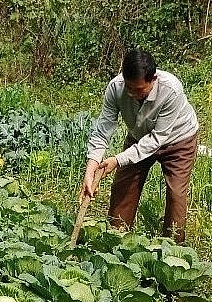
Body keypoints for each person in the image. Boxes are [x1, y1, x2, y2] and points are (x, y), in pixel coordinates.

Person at [81, 48, 199, 243]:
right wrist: (91, 168)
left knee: (176, 193)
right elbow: (103, 129)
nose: (133, 94)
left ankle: (173, 249)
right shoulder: (116, 88)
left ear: (153, 79)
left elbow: (157, 139)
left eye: (139, 90)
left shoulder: (171, 89)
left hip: (178, 139)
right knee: (123, 186)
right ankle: (116, 239)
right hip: (139, 136)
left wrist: (117, 160)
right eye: (129, 88)